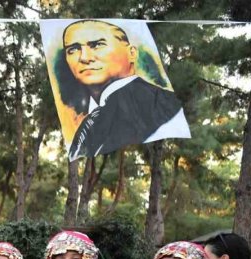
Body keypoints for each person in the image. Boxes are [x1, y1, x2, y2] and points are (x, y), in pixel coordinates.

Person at [60, 19, 189, 161]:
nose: (84, 58)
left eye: (97, 45)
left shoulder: (159, 103)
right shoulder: (93, 115)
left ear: (132, 53)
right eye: (73, 49)